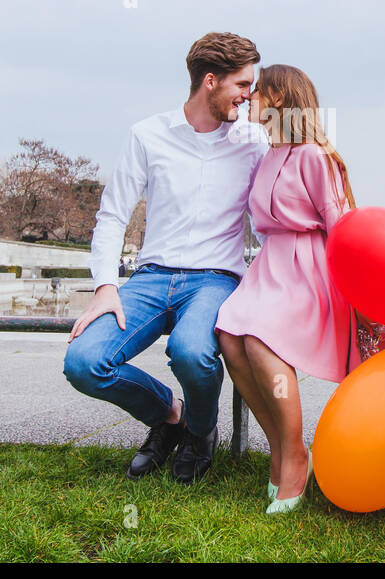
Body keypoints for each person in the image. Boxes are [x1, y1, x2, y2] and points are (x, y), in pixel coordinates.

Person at [64, 33, 270, 483]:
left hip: (215, 279)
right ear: (210, 81)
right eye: (242, 84)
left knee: (192, 352)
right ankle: (170, 416)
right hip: (151, 278)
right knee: (83, 363)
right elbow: (113, 214)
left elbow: (283, 198)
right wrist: (105, 287)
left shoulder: (255, 142)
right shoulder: (147, 135)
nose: (249, 95)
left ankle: (201, 432)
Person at [214, 64, 362, 515]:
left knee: (260, 341)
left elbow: (340, 226)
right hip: (269, 268)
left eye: (259, 90)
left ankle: (295, 457)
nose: (250, 97)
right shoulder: (267, 156)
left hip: (308, 270)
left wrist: (356, 292)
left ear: (280, 99)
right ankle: (282, 448)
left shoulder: (316, 157)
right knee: (229, 338)